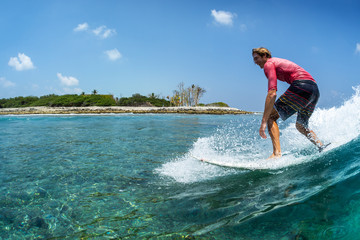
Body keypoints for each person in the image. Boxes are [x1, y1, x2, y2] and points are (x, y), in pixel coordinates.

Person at [252, 47, 328, 159]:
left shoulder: (269, 63)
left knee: (271, 116)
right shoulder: (277, 62)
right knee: (301, 125)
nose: (255, 62)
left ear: (265, 56)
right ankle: (321, 146)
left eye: (256, 58)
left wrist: (263, 121)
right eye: (254, 59)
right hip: (314, 90)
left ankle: (276, 154)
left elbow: (272, 93)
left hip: (302, 86)